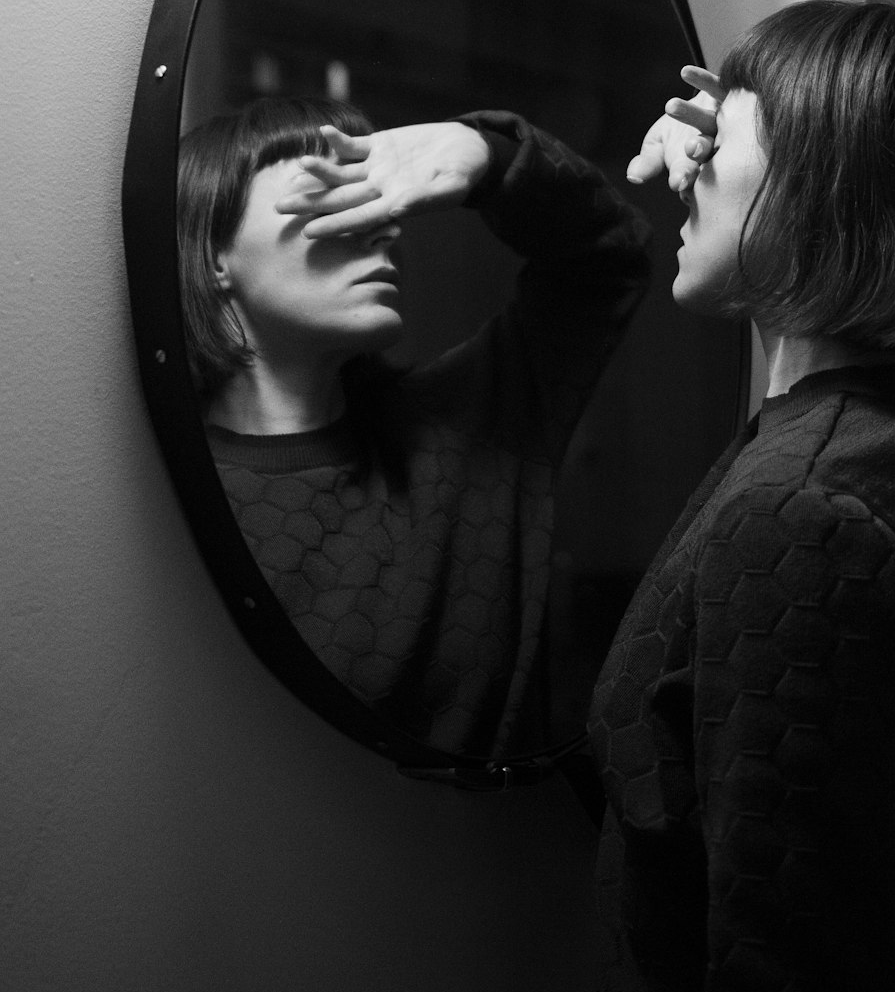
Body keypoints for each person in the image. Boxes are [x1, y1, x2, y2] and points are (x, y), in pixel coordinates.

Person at [588, 0, 895, 992]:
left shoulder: (803, 516)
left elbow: (788, 964)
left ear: (825, 185)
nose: (690, 164)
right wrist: (751, 136)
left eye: (723, 138)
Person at [178, 98, 650, 757]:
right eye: (331, 194)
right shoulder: (161, 496)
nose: (382, 228)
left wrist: (485, 157)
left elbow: (606, 259)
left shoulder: (464, 435)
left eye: (377, 196)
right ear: (216, 253)